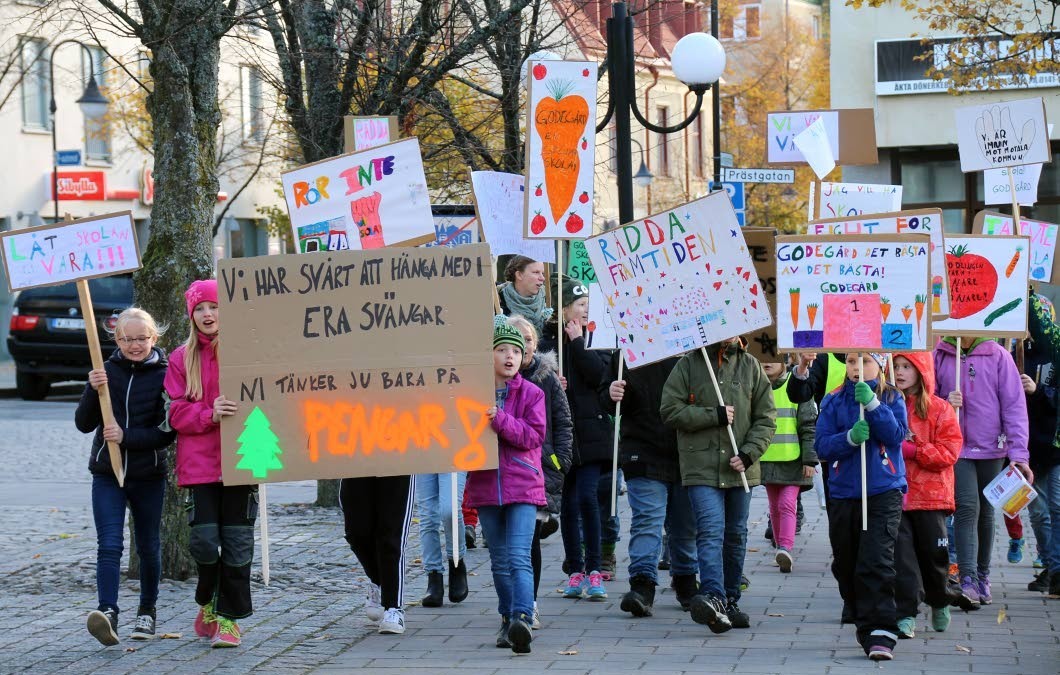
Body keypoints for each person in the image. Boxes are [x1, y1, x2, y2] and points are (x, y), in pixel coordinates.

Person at [660, 337, 776, 634]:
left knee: (735, 534)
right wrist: (713, 415)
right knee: (710, 531)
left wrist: (749, 452)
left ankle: (731, 598)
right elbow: (670, 410)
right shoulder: (688, 364)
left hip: (739, 469)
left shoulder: (750, 365)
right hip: (700, 467)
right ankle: (714, 596)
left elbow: (766, 417)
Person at [76, 308, 175, 646]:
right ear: (116, 340)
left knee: (147, 545)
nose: (135, 345)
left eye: (141, 339)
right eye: (127, 339)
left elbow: (166, 432)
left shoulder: (166, 374)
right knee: (109, 544)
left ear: (154, 338)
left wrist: (126, 436)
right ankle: (107, 611)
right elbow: (83, 423)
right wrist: (93, 388)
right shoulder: (106, 371)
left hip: (148, 475)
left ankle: (147, 611)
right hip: (107, 473)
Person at [164, 280, 254, 648]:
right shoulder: (179, 358)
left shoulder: (246, 351)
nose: (207, 314)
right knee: (203, 541)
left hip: (243, 459)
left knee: (237, 541)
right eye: (200, 308)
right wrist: (209, 414)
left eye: (214, 306)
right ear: (191, 315)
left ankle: (229, 619)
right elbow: (176, 412)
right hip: (199, 463)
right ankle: (208, 597)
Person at [815, 353, 907, 661]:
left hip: (884, 490)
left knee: (876, 560)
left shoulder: (891, 396)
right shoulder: (834, 400)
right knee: (847, 562)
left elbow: (896, 435)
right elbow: (822, 446)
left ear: (880, 364)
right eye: (852, 361)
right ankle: (857, 609)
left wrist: (873, 405)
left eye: (866, 361)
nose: (857, 368)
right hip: (843, 492)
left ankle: (880, 630)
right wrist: (850, 438)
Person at [464, 321, 547, 653]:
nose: (510, 357)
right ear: (489, 356)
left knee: (518, 557)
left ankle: (522, 618)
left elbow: (532, 436)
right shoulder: (471, 395)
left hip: (523, 486)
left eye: (516, 351)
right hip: (485, 485)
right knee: (498, 561)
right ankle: (506, 619)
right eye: (502, 350)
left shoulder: (532, 393)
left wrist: (499, 419)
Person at [934, 337, 1031, 605]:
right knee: (967, 507)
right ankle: (967, 578)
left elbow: (1014, 406)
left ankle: (982, 576)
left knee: (987, 512)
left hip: (993, 447)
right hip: (956, 446)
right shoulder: (940, 354)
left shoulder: (998, 355)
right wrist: (944, 401)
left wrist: (1018, 453)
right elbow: (925, 398)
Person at [605, 355, 699, 617]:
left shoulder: (693, 352)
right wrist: (611, 392)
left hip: (687, 453)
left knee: (685, 525)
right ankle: (642, 584)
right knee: (648, 520)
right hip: (643, 450)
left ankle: (686, 580)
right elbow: (607, 397)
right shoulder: (626, 354)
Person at [891, 353, 974, 638]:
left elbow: (950, 453)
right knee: (903, 560)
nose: (900, 372)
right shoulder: (888, 405)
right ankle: (906, 613)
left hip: (931, 497)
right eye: (896, 366)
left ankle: (939, 600)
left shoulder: (939, 409)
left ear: (921, 371)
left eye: (906, 367)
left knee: (934, 557)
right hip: (896, 494)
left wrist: (915, 450)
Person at [540, 276, 613, 601]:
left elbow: (600, 374)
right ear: (565, 307)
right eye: (580, 305)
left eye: (588, 305)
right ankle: (575, 569)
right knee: (567, 503)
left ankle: (595, 568)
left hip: (592, 434)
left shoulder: (593, 336)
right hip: (562, 438)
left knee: (588, 498)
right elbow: (536, 380)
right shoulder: (547, 339)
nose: (585, 310)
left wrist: (579, 342)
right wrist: (554, 383)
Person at [509, 314, 573, 628]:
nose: (522, 346)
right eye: (515, 339)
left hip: (538, 472)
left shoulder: (547, 378)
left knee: (528, 542)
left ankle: (528, 603)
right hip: (504, 473)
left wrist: (559, 462)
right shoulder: (495, 381)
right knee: (508, 546)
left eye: (528, 340)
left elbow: (562, 422)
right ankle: (510, 604)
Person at [759, 360, 818, 574]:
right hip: (767, 460)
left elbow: (808, 425)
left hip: (794, 461)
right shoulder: (757, 386)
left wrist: (809, 459)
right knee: (774, 507)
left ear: (784, 362)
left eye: (773, 357)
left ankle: (785, 547)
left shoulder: (797, 387)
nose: (766, 362)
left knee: (786, 504)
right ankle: (779, 548)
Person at [1025, 294, 1060, 597]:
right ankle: (1050, 565)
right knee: (1037, 512)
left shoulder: (1057, 349)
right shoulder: (1017, 350)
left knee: (1056, 507)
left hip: (1055, 443)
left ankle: (1057, 569)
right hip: (1027, 445)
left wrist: (1039, 391)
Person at [415, 470, 468, 608]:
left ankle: (457, 561)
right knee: (427, 516)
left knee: (450, 510)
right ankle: (433, 576)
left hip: (454, 454)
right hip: (422, 454)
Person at [497, 256, 552, 336]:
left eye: (542, 273)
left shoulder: (549, 300)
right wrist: (496, 330)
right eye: (536, 272)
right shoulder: (497, 301)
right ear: (519, 275)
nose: (542, 278)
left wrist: (552, 326)